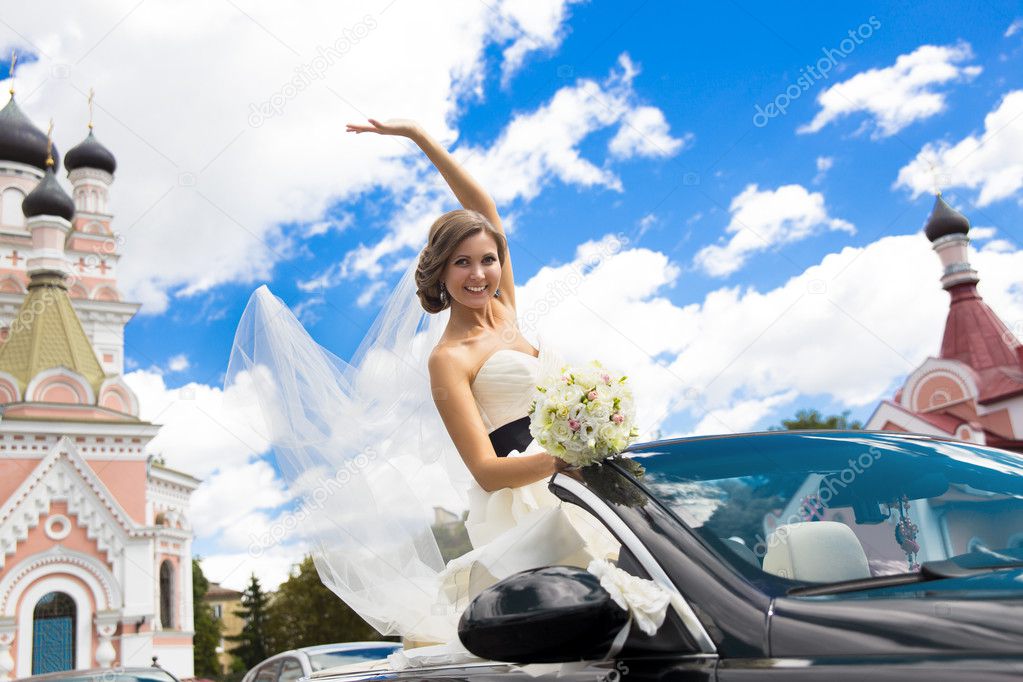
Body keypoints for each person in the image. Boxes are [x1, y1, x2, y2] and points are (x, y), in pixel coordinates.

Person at [226, 119, 619, 658]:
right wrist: (565, 460)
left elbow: (481, 203)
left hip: (578, 477)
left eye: (488, 260)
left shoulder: (506, 313)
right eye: (463, 263)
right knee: (572, 636)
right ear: (440, 274)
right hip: (527, 501)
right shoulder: (447, 359)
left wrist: (419, 137)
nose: (479, 274)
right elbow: (483, 468)